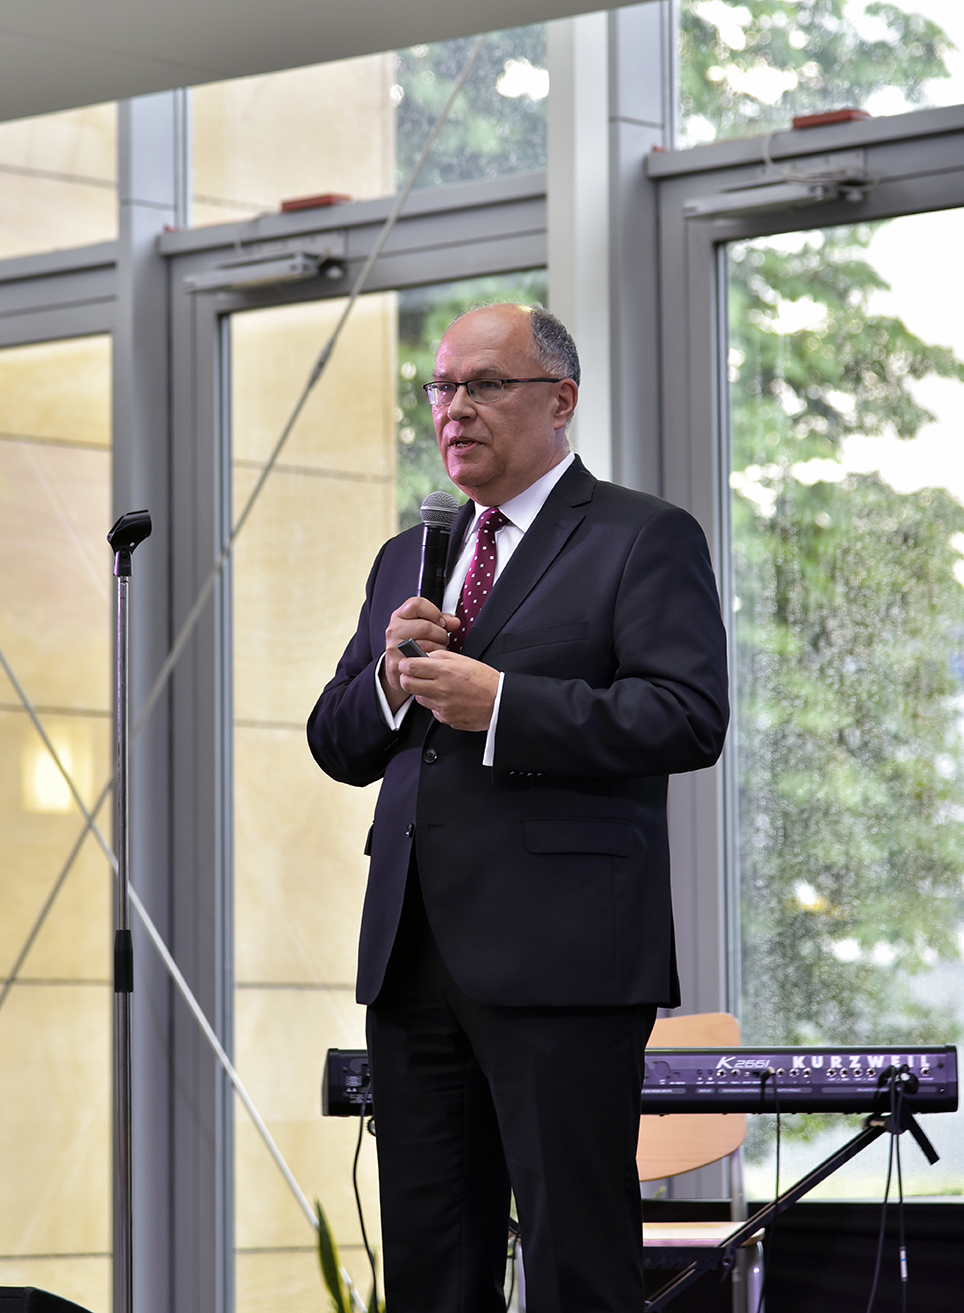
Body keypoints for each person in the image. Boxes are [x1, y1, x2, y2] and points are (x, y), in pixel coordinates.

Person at [307, 303, 728, 1313]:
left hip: (563, 958)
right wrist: (389, 679)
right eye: (441, 388)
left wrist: (507, 705)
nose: (454, 409)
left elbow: (686, 716)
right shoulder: (408, 556)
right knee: (431, 1267)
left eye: (486, 385)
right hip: (414, 956)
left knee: (575, 1259)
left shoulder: (641, 535)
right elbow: (334, 740)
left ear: (560, 399)